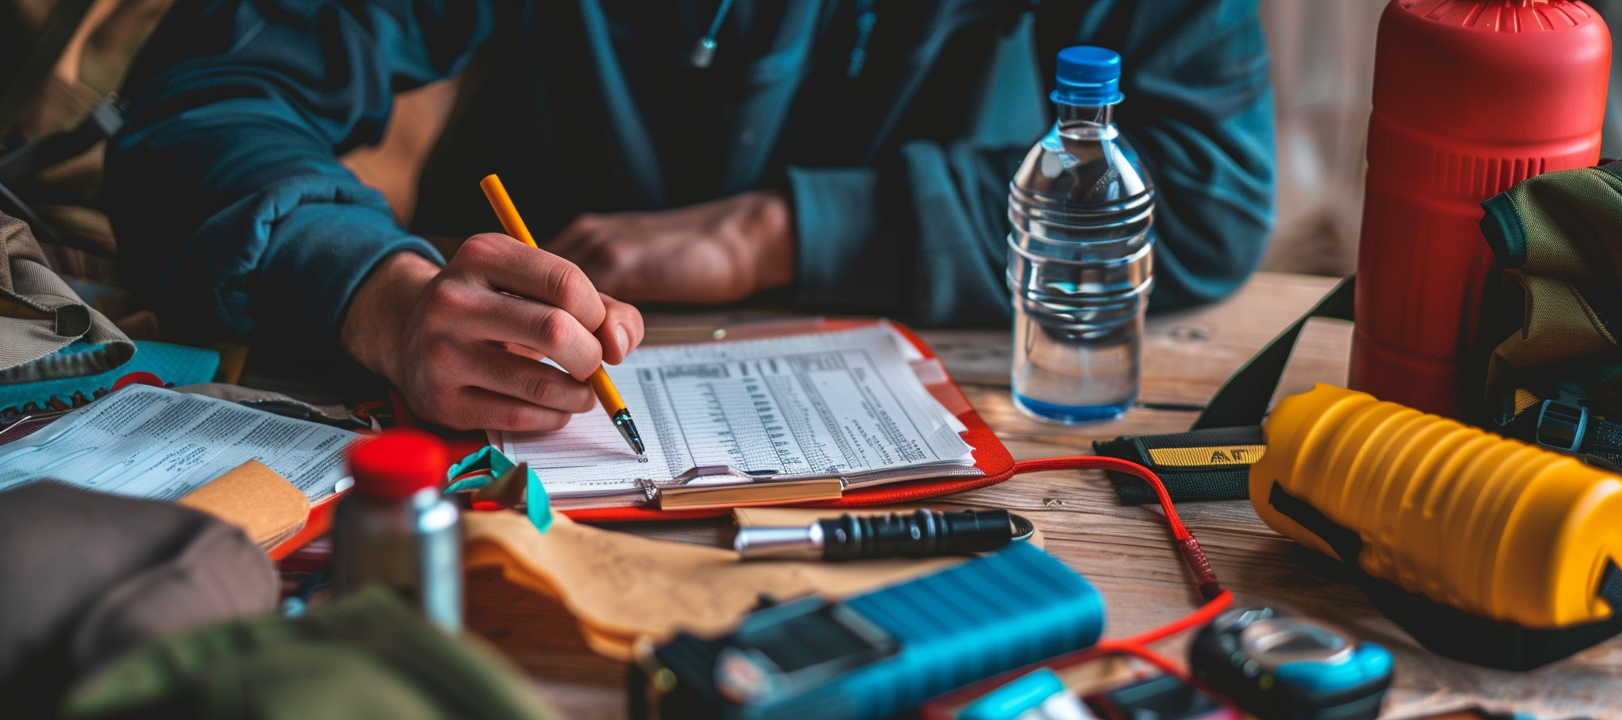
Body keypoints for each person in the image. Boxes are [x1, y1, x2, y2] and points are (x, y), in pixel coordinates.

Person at [105, 0, 1276, 432]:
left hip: (949, 421)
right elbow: (198, 104)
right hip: (497, 418)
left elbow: (1207, 189)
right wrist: (382, 298)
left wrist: (787, 229)